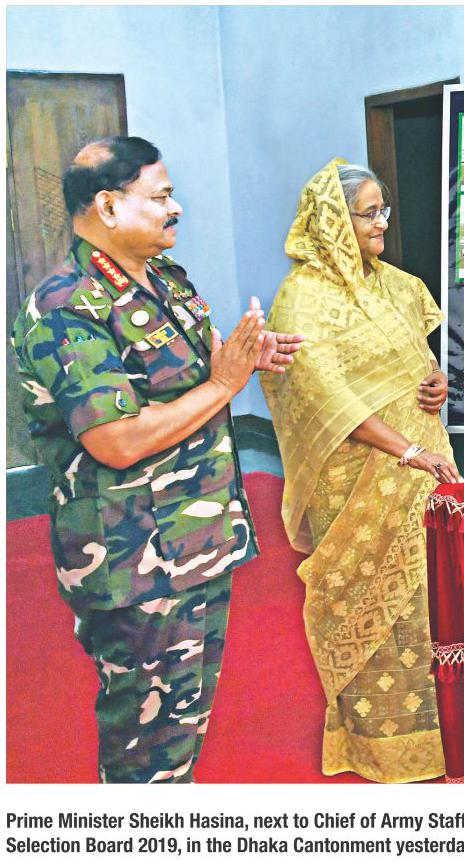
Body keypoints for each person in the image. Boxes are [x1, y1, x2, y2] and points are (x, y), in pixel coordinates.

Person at [11, 136, 303, 783]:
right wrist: (224, 384)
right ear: (109, 206)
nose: (177, 209)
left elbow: (191, 377)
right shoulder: (67, 305)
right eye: (161, 196)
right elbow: (115, 440)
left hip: (197, 541)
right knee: (146, 753)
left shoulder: (165, 279)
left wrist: (243, 359)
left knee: (183, 732)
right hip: (134, 561)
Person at [261, 160, 461, 783]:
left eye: (384, 211)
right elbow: (326, 398)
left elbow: (420, 362)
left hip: (424, 466)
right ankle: (380, 744)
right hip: (358, 477)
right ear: (332, 222)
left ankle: (449, 729)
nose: (382, 224)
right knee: (372, 606)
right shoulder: (304, 298)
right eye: (369, 213)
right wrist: (406, 451)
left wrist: (437, 383)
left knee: (434, 600)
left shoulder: (398, 285)